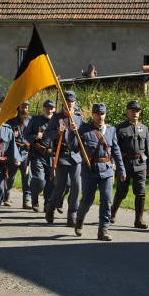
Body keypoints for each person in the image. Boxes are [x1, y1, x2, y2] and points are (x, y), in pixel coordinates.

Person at [75, 103, 125, 241]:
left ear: (105, 114)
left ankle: (103, 231)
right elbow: (73, 146)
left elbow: (116, 151)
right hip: (90, 170)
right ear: (93, 115)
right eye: (97, 114)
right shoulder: (84, 130)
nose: (100, 116)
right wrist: (74, 134)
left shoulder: (111, 130)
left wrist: (121, 170)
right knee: (87, 200)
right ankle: (79, 219)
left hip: (107, 170)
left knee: (107, 201)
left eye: (102, 114)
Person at [44, 91, 84, 228]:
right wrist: (58, 132)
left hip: (76, 156)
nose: (70, 103)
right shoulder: (57, 117)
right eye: (67, 101)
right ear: (63, 102)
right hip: (62, 156)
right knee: (61, 186)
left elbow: (84, 137)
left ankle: (72, 215)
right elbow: (47, 133)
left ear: (75, 102)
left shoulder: (79, 118)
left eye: (72, 101)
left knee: (77, 185)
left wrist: (76, 131)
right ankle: (50, 208)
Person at [112, 100, 149, 229]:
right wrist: (114, 163)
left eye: (137, 111)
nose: (135, 113)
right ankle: (111, 214)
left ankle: (138, 220)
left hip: (140, 164)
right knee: (122, 191)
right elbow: (114, 147)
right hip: (125, 164)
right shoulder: (120, 128)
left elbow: (148, 148)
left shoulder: (144, 128)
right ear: (127, 112)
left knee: (140, 192)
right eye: (133, 111)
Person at [25, 100, 56, 213]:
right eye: (47, 108)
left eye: (51, 108)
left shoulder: (57, 122)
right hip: (38, 155)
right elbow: (26, 135)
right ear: (43, 109)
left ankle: (47, 203)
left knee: (50, 181)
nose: (49, 110)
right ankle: (34, 197)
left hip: (52, 156)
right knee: (39, 179)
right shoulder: (35, 120)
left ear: (54, 109)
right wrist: (35, 137)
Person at [4, 101, 32, 209]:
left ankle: (26, 200)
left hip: (26, 152)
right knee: (10, 176)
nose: (24, 109)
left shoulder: (30, 122)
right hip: (14, 151)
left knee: (27, 177)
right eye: (22, 107)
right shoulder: (11, 122)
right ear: (18, 108)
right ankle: (6, 197)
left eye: (26, 107)